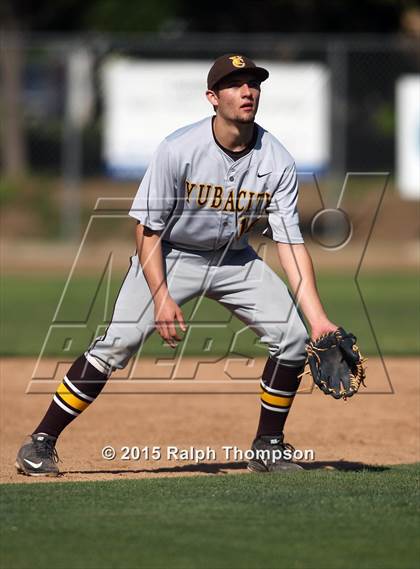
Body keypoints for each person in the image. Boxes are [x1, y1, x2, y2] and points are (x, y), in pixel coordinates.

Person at [16, 54, 337, 476]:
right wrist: (162, 296)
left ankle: (268, 446)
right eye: (234, 84)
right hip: (171, 254)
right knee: (117, 345)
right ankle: (41, 441)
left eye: (253, 83)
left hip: (234, 260)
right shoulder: (179, 149)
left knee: (294, 338)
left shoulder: (276, 161)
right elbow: (146, 229)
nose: (247, 91)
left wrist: (318, 320)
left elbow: (291, 245)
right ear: (212, 97)